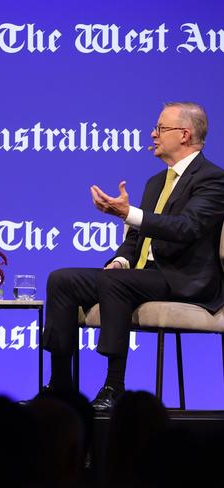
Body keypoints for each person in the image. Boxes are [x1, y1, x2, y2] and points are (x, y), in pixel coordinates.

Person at [42, 102, 224, 412]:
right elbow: (137, 236)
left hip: (184, 280)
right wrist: (122, 259)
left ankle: (114, 385)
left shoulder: (211, 179)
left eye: (160, 129)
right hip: (142, 275)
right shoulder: (157, 181)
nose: (153, 134)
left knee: (116, 284)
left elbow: (186, 227)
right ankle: (60, 386)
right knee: (62, 279)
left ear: (184, 134)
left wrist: (129, 213)